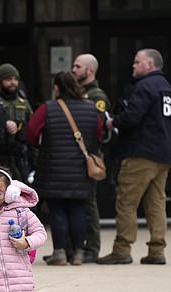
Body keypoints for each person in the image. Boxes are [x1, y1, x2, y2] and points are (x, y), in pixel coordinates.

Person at [98, 48, 171, 265]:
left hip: (140, 153)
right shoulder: (166, 88)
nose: (133, 66)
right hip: (163, 155)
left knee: (126, 202)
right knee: (156, 203)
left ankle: (122, 249)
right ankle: (157, 251)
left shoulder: (144, 86)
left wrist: (114, 122)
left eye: (137, 62)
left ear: (149, 65)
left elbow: (131, 117)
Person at [26, 71, 102, 265]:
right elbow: (98, 134)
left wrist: (42, 146)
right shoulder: (91, 108)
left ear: (57, 88)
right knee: (78, 209)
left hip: (53, 169)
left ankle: (59, 252)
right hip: (80, 169)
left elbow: (31, 134)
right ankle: (78, 253)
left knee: (57, 209)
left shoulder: (47, 108)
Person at [72, 54, 112, 263]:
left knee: (88, 202)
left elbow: (99, 128)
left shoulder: (97, 96)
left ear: (90, 70)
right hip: (73, 155)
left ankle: (92, 248)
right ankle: (74, 246)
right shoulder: (78, 93)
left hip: (89, 155)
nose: (73, 70)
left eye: (78, 67)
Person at [0, 63, 34, 182]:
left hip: (19, 156)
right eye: (8, 79)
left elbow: (32, 128)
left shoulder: (23, 102)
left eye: (15, 79)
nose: (13, 82)